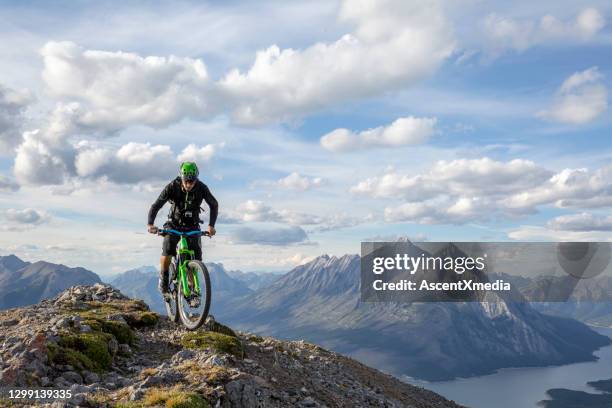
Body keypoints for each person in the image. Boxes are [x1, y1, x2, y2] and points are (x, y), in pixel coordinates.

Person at [147, 162, 218, 296]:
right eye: (186, 181)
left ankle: (191, 289)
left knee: (196, 258)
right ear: (181, 178)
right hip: (173, 224)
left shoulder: (202, 188)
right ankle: (164, 276)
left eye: (192, 182)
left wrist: (211, 226)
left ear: (196, 179)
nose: (189, 184)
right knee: (167, 249)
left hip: (192, 226)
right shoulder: (172, 186)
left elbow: (214, 204)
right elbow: (156, 205)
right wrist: (150, 224)